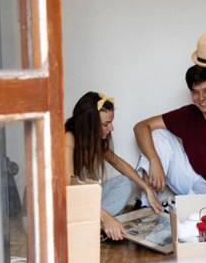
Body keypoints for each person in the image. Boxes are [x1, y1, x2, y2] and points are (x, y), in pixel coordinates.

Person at [134, 65, 206, 200]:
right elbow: (141, 127)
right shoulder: (189, 114)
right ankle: (148, 201)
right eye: (195, 92)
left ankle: (183, 206)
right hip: (195, 181)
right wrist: (154, 160)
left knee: (187, 208)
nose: (201, 98)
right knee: (158, 134)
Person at [65, 92, 163, 241]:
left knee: (125, 182)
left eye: (111, 122)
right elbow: (71, 190)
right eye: (106, 124)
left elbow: (117, 162)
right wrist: (106, 217)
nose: (111, 128)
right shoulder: (68, 138)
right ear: (89, 125)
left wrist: (147, 188)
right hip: (66, 202)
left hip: (81, 201)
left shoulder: (92, 139)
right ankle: (98, 224)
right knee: (95, 204)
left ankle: (95, 223)